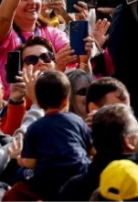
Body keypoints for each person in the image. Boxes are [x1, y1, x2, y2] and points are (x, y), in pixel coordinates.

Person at [19, 71, 92, 200]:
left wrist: (20, 160)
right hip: (80, 175)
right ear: (66, 101)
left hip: (48, 182)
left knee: (19, 174)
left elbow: (30, 163)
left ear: (39, 104)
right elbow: (92, 150)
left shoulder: (34, 127)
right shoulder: (77, 120)